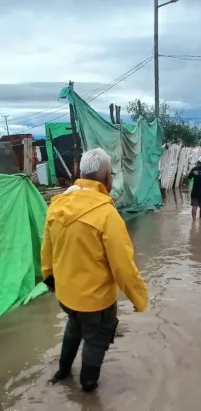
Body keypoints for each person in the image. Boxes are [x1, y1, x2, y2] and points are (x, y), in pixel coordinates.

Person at [40, 148, 148, 392]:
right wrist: (138, 298)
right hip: (96, 301)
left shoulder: (57, 206)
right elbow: (123, 266)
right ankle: (88, 387)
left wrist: (49, 278)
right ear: (108, 176)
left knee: (74, 327)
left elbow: (47, 249)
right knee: (96, 340)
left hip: (67, 296)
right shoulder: (107, 214)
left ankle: (62, 372)